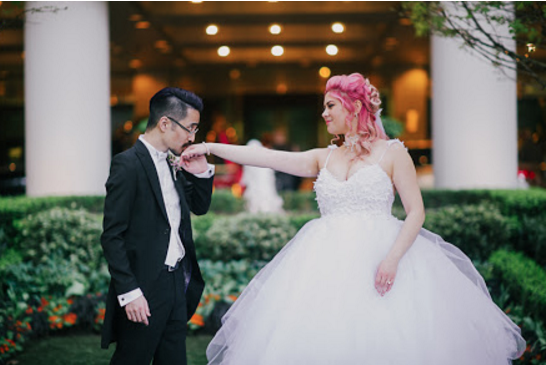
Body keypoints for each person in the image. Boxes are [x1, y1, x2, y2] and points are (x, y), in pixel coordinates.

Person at [181, 73, 525, 364]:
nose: (324, 113)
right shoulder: (323, 157)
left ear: (355, 107)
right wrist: (210, 148)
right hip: (324, 263)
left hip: (384, 258)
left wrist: (392, 260)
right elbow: (267, 158)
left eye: (330, 105)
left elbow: (416, 212)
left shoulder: (394, 153)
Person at [100, 87, 215, 365]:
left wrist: (201, 171)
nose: (192, 137)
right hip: (143, 286)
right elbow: (112, 236)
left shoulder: (176, 162)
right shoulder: (127, 165)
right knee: (132, 359)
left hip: (177, 283)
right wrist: (130, 292)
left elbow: (199, 207)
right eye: (190, 128)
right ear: (165, 123)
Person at [240, 139, 285, 214]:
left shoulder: (249, 160)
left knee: (258, 203)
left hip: (260, 186)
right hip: (260, 186)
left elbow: (246, 178)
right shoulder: (263, 157)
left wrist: (242, 183)